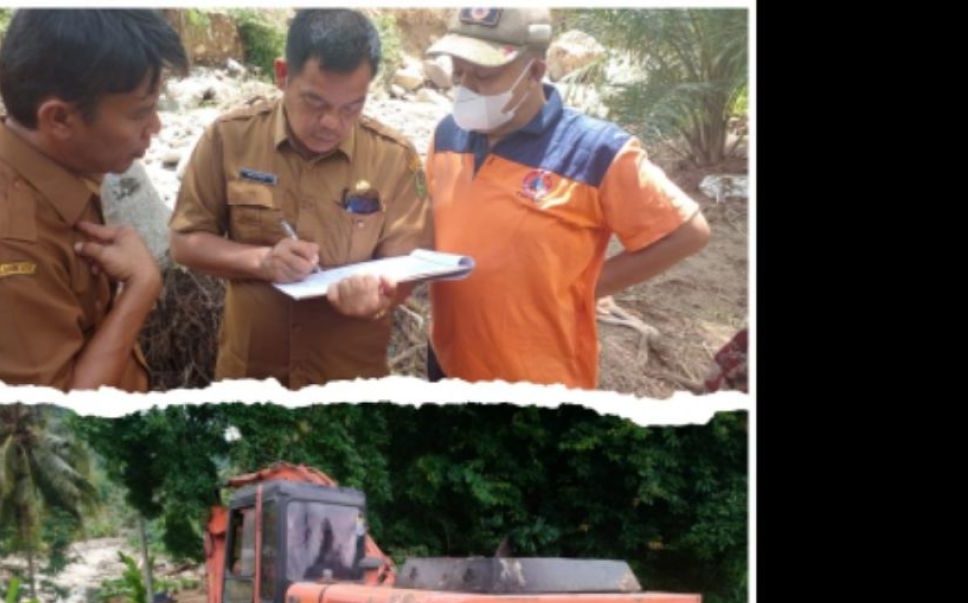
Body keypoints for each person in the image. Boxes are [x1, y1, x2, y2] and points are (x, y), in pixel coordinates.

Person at [424, 8, 711, 387]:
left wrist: (585, 287)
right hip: (447, 359)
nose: (467, 89)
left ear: (536, 72)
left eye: (484, 75)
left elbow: (687, 232)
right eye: (460, 72)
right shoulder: (448, 133)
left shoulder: (596, 152)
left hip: (537, 379)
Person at [169, 8, 432, 388]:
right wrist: (261, 261)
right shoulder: (229, 138)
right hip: (250, 377)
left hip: (348, 381)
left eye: (351, 107)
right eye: (315, 102)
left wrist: (380, 298)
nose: (331, 123)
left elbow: (409, 265)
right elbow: (184, 242)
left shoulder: (394, 158)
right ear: (282, 75)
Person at [0, 9, 187, 391]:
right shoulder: (5, 248)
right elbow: (57, 424)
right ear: (60, 120)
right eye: (141, 113)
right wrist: (140, 289)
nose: (155, 128)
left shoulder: (63, 171)